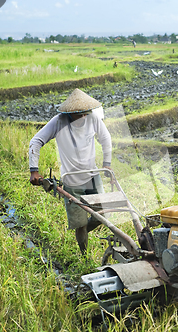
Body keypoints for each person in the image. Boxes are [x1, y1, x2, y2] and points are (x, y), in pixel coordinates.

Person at [29, 88, 113, 255]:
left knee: (103, 215)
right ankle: (84, 256)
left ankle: (82, 233)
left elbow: (106, 138)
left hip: (92, 176)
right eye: (78, 114)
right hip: (71, 181)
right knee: (79, 223)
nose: (82, 116)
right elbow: (36, 141)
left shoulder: (93, 118)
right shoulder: (58, 122)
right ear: (69, 113)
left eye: (85, 113)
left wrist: (107, 163)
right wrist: (34, 171)